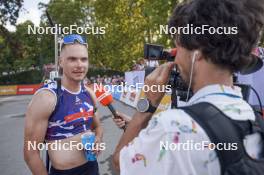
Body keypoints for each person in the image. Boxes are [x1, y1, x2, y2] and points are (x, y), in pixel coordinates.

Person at [112, 0, 264, 174]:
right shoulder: (254, 118)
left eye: (178, 48)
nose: (175, 59)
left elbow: (120, 163)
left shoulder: (173, 127)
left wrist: (145, 106)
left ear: (196, 52)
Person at [24, 34, 103, 175]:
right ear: (61, 62)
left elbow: (97, 127)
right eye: (72, 59)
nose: (79, 65)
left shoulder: (90, 94)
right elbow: (31, 152)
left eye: (83, 59)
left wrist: (97, 139)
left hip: (92, 168)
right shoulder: (47, 97)